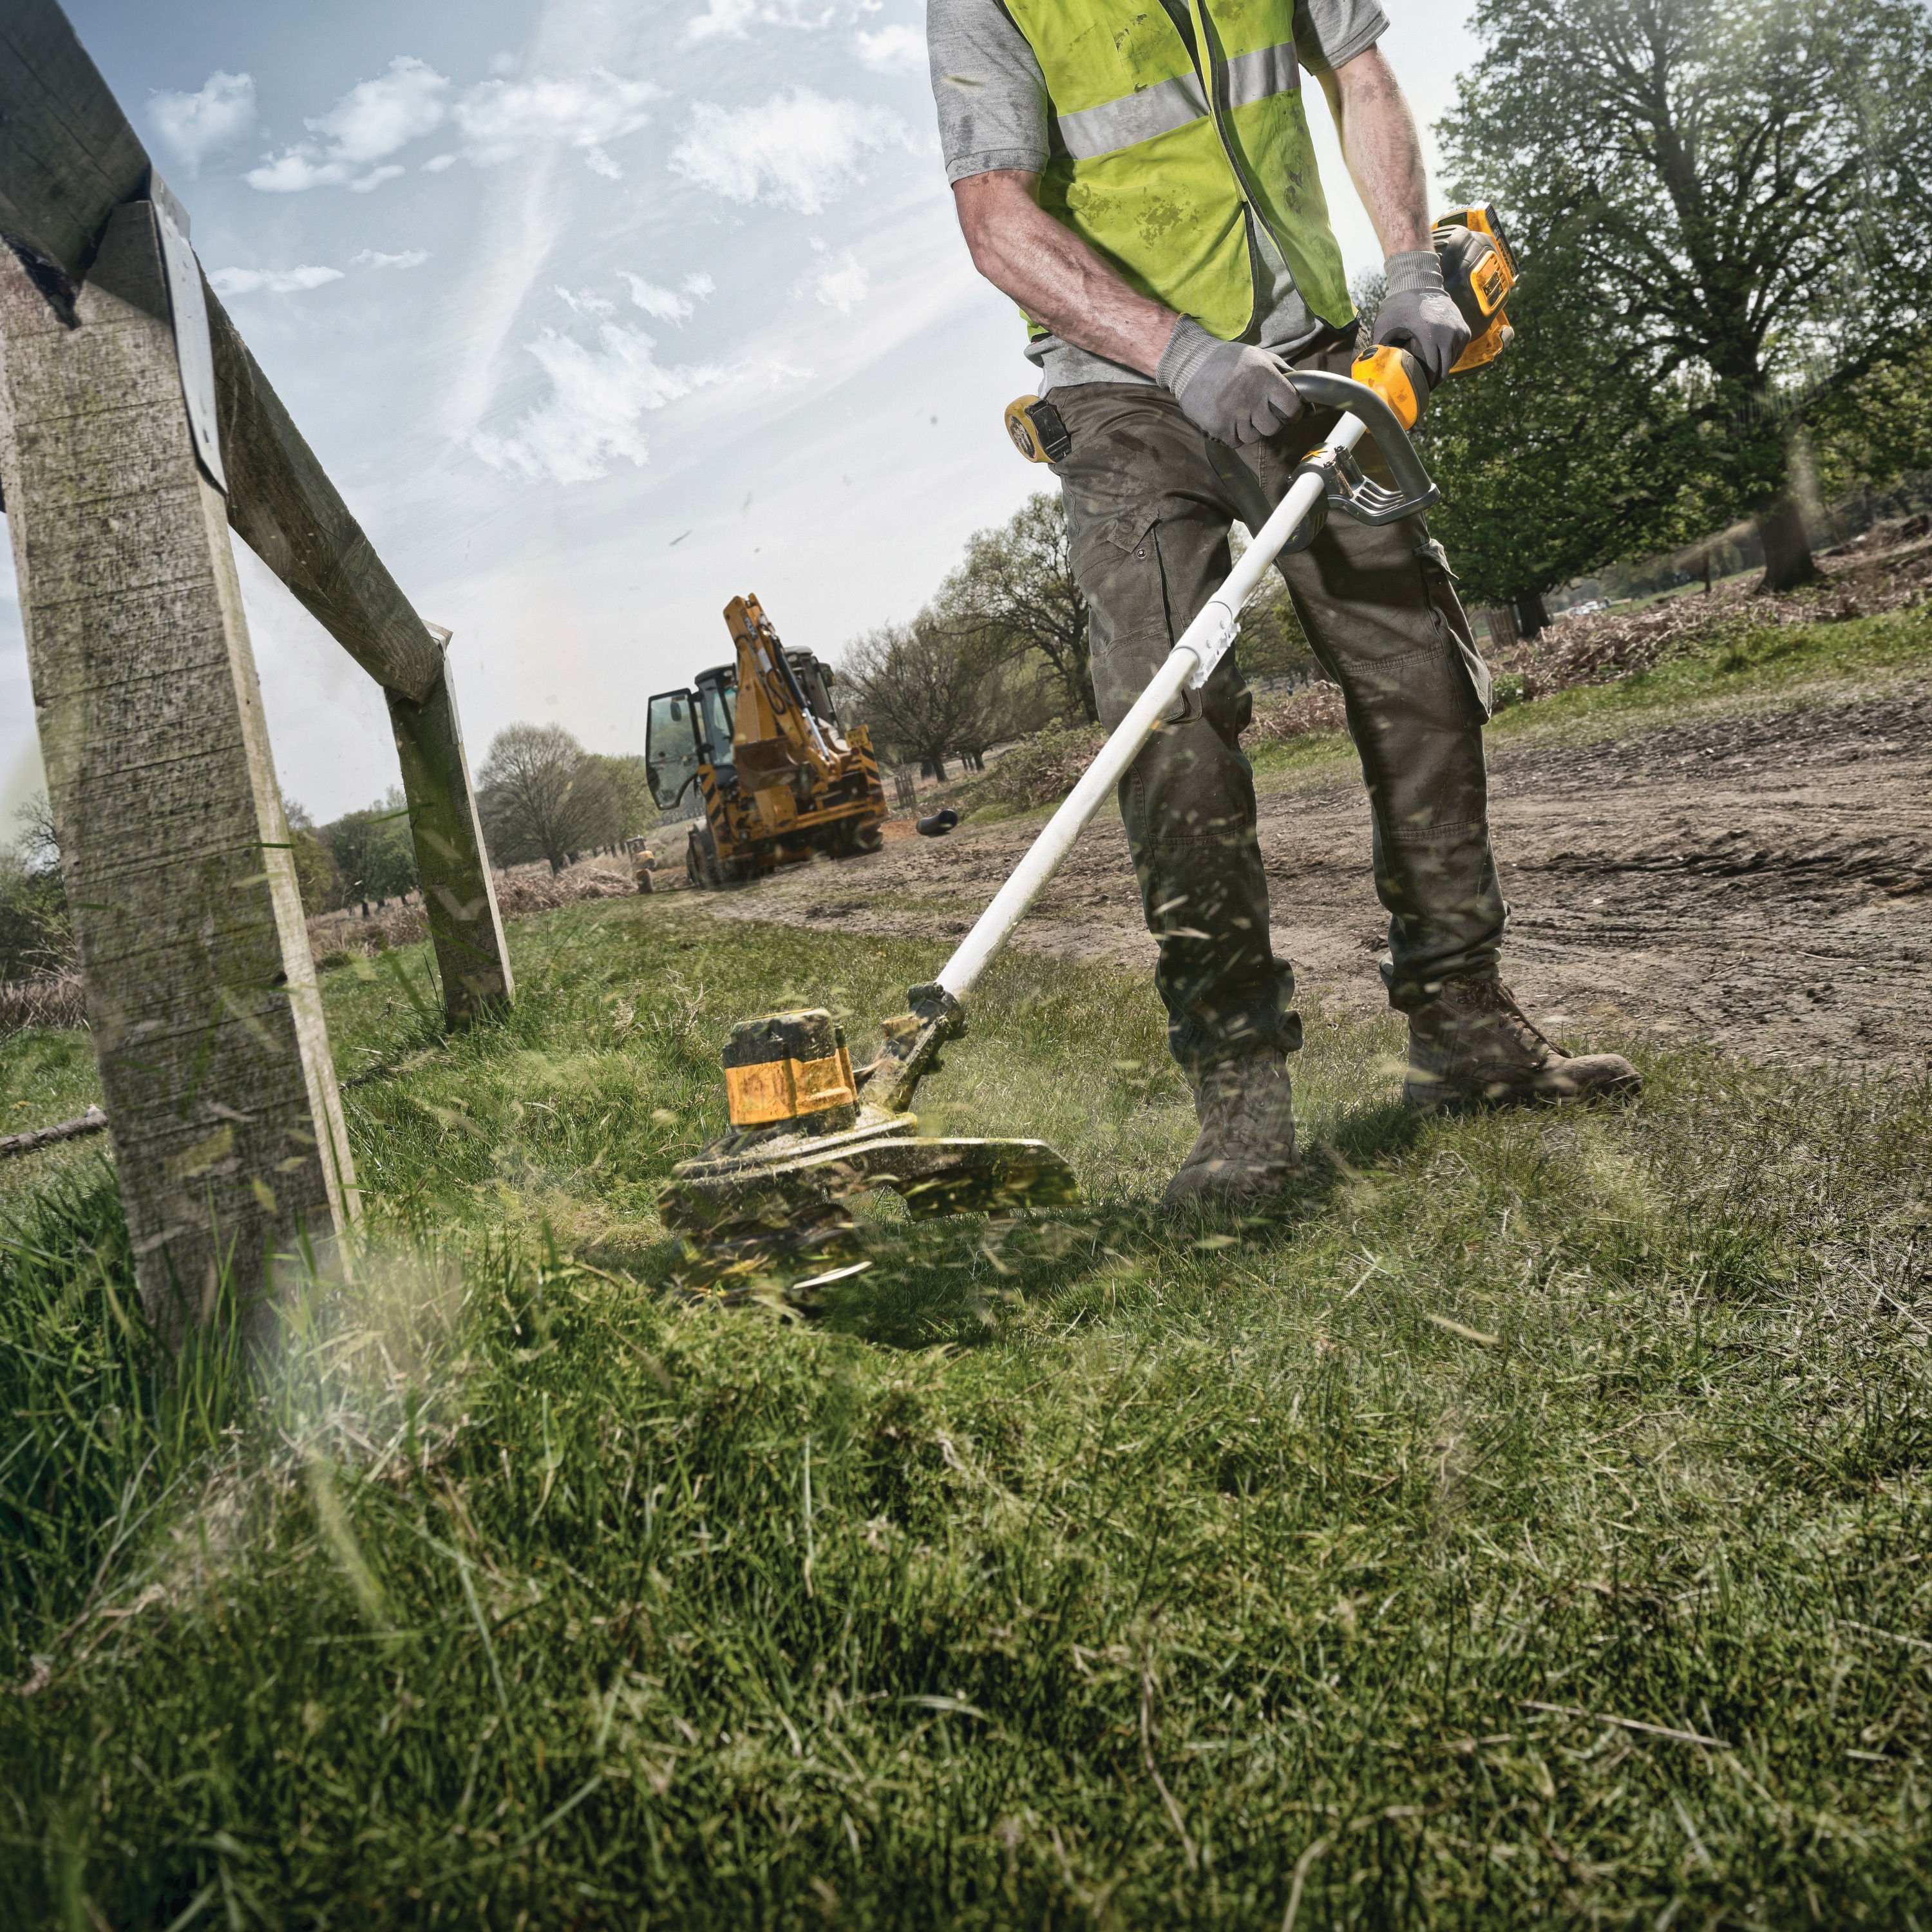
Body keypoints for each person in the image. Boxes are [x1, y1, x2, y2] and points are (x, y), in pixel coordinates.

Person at [927, 0, 1639, 1209]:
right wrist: (1182, 355)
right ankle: (1242, 1097)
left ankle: (1462, 1024)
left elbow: (1361, 74)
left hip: (1309, 355)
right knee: (1175, 722)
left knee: (1420, 675)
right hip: (1123, 398)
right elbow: (997, 220)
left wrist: (1412, 273)